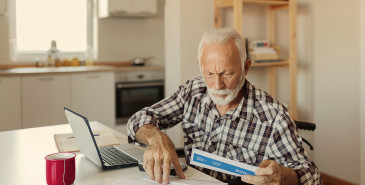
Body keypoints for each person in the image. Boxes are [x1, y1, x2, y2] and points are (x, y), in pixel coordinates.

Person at [127, 28, 322, 185]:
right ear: (200, 65)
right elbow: (139, 119)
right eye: (209, 74)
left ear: (246, 67)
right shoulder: (192, 92)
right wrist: (156, 138)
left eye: (227, 74)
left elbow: (313, 176)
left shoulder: (273, 116)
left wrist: (285, 176)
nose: (217, 85)